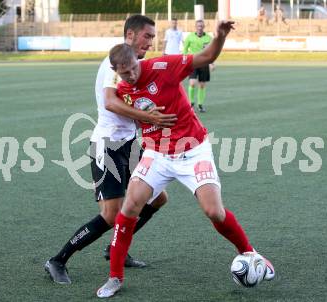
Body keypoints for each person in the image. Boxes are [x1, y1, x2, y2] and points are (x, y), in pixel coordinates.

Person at [96, 20, 275, 298]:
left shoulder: (164, 67)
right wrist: (147, 117)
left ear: (138, 59)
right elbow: (110, 101)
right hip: (157, 154)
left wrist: (220, 37)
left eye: (133, 68)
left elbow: (206, 57)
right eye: (124, 72)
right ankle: (115, 277)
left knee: (213, 211)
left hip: (194, 150)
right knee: (129, 207)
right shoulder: (121, 89)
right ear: (116, 71)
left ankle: (251, 254)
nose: (131, 75)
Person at [44, 15, 178, 285]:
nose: (151, 43)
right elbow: (109, 102)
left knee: (158, 198)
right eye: (147, 36)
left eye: (153, 37)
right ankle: (57, 260)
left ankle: (118, 247)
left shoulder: (134, 64)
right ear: (130, 34)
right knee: (111, 215)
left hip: (129, 145)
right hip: (107, 146)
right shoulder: (113, 63)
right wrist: (149, 118)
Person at [183, 20, 213, 113]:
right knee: (192, 83)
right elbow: (184, 50)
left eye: (201, 26)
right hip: (193, 62)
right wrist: (184, 61)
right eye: (198, 26)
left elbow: (211, 52)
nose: (200, 28)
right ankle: (191, 103)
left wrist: (212, 63)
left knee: (202, 85)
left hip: (204, 63)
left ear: (204, 27)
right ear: (195, 27)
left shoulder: (208, 38)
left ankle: (200, 105)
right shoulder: (190, 37)